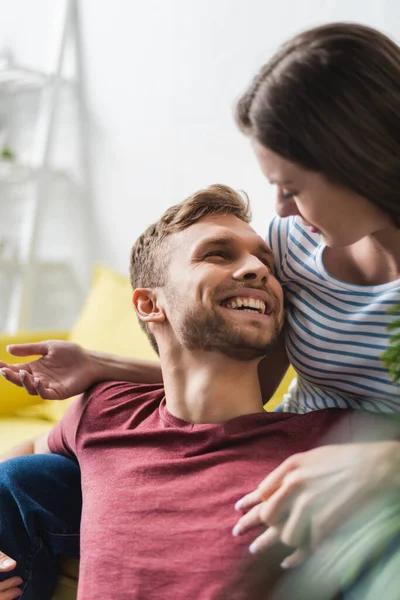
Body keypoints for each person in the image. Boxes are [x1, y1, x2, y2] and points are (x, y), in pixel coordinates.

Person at [1, 20, 400, 596]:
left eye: (291, 185)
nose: (279, 213)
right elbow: (239, 376)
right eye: (220, 253)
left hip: (354, 464)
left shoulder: (324, 441)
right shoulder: (291, 243)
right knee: (19, 479)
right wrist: (102, 365)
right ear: (148, 303)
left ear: (356, 165)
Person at [0, 183, 368, 600]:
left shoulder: (335, 441)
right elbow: (22, 461)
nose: (258, 270)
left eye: (266, 263)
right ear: (148, 304)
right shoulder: (108, 410)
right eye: (218, 254)